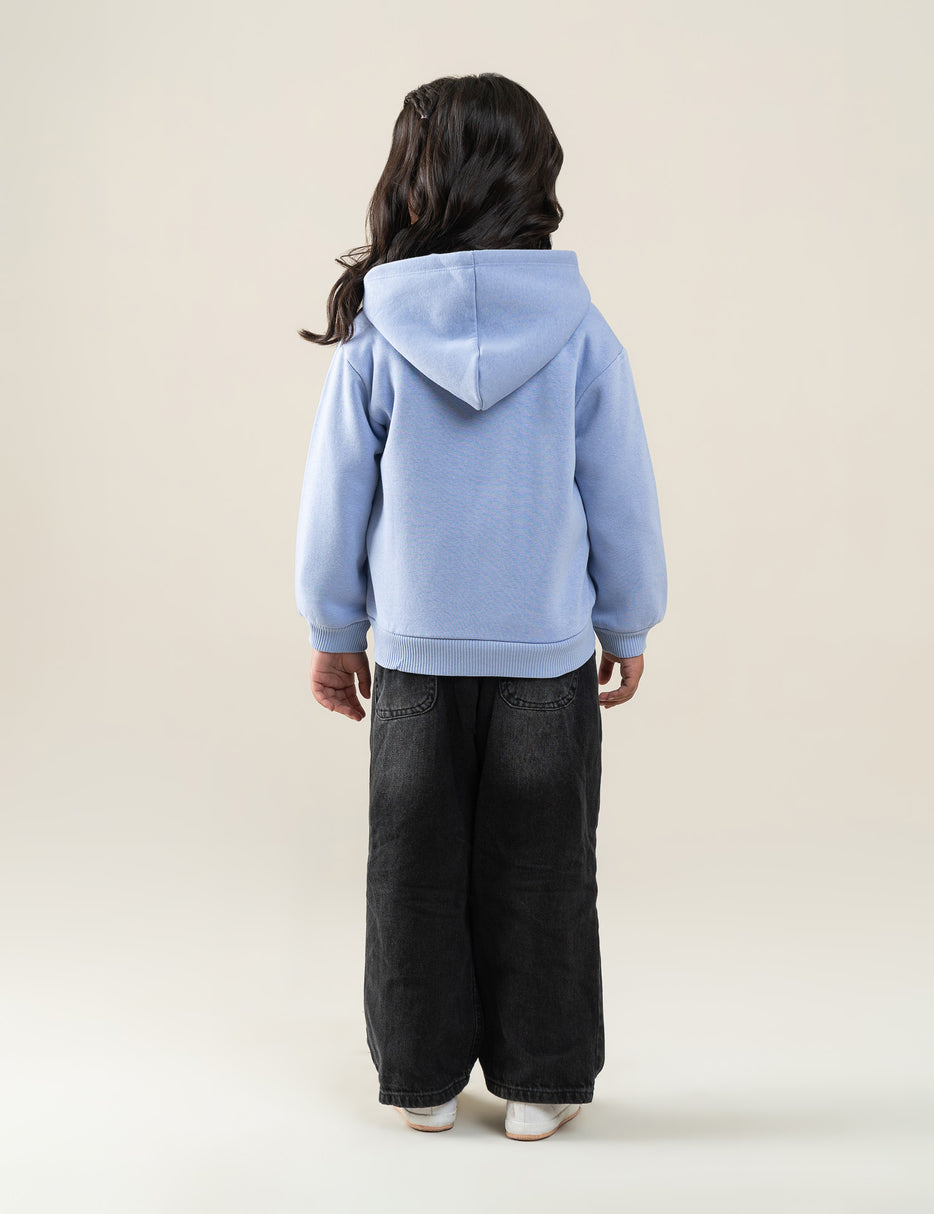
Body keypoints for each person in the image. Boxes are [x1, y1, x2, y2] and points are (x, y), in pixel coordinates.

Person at [293, 73, 667, 1142]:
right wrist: (627, 620)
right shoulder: (581, 331)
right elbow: (620, 490)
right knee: (543, 866)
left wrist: (334, 630)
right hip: (546, 652)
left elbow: (334, 495)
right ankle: (542, 1080)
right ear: (532, 176)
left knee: (411, 866)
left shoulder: (380, 331)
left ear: (415, 181)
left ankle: (419, 1078)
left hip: (415, 654)